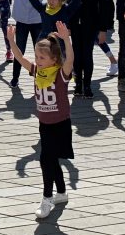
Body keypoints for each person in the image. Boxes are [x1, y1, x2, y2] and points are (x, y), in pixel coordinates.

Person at [6, 21, 75, 220]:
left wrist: (66, 40)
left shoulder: (61, 74)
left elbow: (70, 58)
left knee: (47, 159)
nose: (38, 60)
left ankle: (47, 198)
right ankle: (61, 192)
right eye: (37, 56)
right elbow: (19, 57)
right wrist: (11, 40)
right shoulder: (37, 71)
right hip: (44, 123)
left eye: (42, 57)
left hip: (61, 123)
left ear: (54, 59)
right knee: (50, 159)